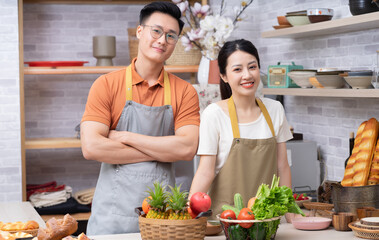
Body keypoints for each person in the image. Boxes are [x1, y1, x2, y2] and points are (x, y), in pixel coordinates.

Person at [80, 2, 200, 235]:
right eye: (156, 31)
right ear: (139, 31)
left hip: (164, 220)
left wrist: (125, 137)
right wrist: (163, 151)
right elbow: (92, 147)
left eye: (171, 35)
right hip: (110, 221)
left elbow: (186, 149)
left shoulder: (185, 91)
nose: (162, 40)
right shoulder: (106, 85)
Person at [189, 39, 293, 219]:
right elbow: (205, 171)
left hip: (266, 221)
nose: (247, 75)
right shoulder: (213, 114)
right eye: (237, 69)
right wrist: (190, 214)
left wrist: (290, 213)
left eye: (252, 67)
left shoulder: (275, 109)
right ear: (224, 76)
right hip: (226, 221)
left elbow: (282, 166)